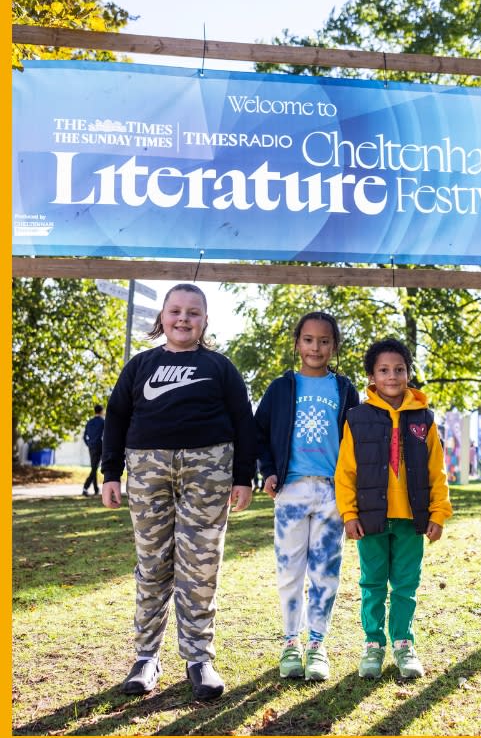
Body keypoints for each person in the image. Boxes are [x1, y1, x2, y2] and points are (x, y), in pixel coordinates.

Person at [100, 283, 255, 701]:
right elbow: (116, 417)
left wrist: (244, 477)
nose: (183, 319)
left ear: (205, 321)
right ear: (162, 318)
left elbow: (244, 421)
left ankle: (199, 659)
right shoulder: (139, 366)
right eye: (176, 311)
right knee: (152, 564)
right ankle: (145, 658)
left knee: (199, 568)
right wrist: (111, 472)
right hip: (148, 469)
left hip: (209, 470)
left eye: (193, 313)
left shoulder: (220, 367)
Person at [335, 339, 452, 679]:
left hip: (412, 519)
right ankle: (373, 645)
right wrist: (349, 513)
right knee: (372, 583)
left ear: (408, 373)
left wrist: (438, 513)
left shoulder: (424, 418)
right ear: (371, 376)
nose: (392, 376)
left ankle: (403, 642)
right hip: (371, 518)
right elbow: (346, 471)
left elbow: (437, 469)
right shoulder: (357, 418)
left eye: (399, 369)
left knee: (404, 585)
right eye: (384, 370)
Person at [254, 311, 360, 681]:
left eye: (324, 341)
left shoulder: (344, 389)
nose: (316, 348)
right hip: (291, 491)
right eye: (309, 340)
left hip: (333, 492)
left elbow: (355, 442)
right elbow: (260, 432)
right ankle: (290, 642)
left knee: (326, 571)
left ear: (334, 346)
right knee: (289, 571)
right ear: (298, 343)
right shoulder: (281, 388)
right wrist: (267, 470)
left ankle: (317, 644)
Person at [82, 404, 104, 496]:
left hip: (91, 447)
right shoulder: (103, 422)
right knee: (94, 468)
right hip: (99, 446)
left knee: (94, 467)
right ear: (101, 411)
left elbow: (84, 436)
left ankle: (96, 489)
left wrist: (89, 444)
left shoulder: (89, 422)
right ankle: (85, 487)